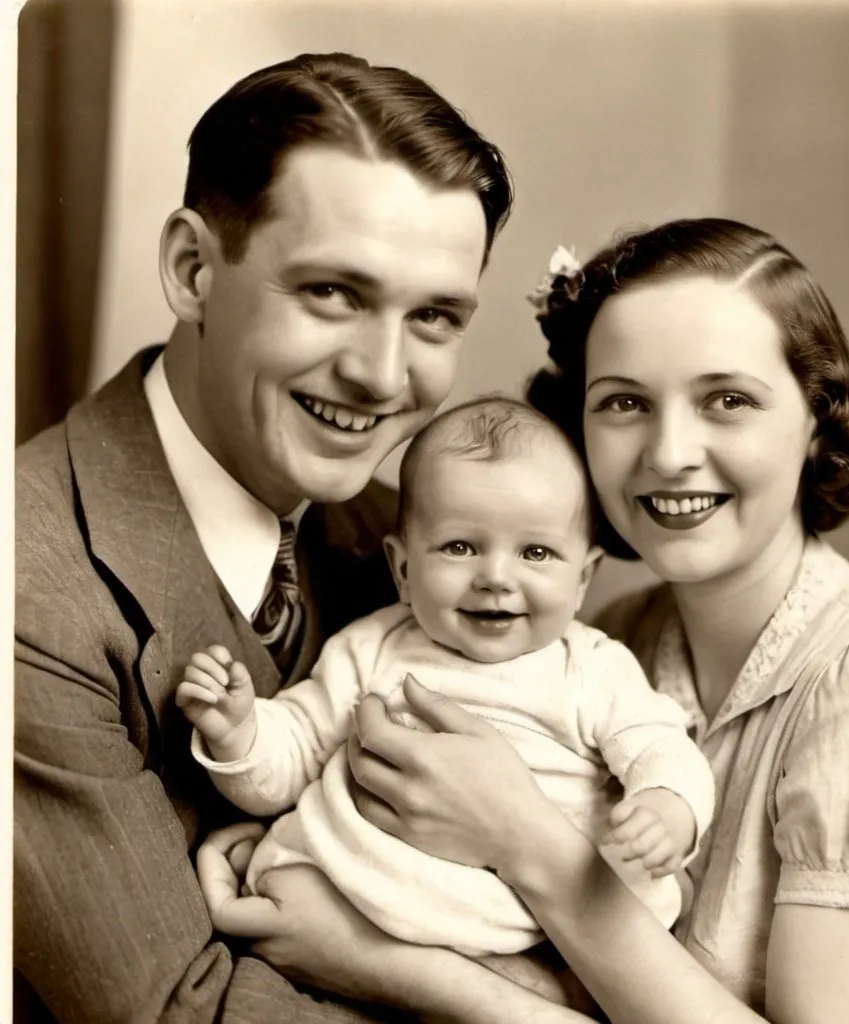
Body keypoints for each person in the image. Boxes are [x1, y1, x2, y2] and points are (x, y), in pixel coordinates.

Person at [229, 217, 849, 1024]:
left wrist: (391, 960)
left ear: (815, 422)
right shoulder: (619, 634)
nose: (669, 452)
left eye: (728, 400)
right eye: (624, 402)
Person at [14, 50, 525, 1023]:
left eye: (434, 317)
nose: (382, 374)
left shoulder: (406, 543)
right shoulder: (27, 586)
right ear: (193, 269)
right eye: (334, 292)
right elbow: (181, 1012)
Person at [179, 397, 716, 959]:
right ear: (404, 569)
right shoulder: (371, 648)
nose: (496, 578)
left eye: (536, 552)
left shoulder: (592, 669)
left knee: (631, 901)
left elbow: (663, 747)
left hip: (519, 928)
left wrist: (666, 806)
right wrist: (240, 733)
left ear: (582, 580)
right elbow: (292, 758)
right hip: (358, 893)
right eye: (460, 547)